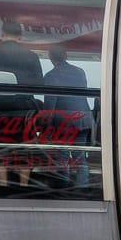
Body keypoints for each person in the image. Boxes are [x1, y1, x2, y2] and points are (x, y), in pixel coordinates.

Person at [0, 32, 44, 191]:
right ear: (20, 37)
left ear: (2, 35)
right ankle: (23, 186)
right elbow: (40, 83)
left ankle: (3, 185)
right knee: (25, 151)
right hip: (23, 112)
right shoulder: (31, 56)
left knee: (0, 150)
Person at [41, 47, 90, 189]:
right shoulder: (80, 71)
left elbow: (50, 103)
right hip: (83, 118)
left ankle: (64, 189)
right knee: (80, 157)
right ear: (66, 55)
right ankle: (83, 188)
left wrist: (47, 125)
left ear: (51, 58)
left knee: (62, 156)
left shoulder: (51, 76)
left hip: (63, 122)